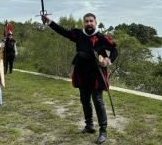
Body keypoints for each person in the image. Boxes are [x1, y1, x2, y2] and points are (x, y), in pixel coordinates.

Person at [42, 13, 118, 144]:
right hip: (82, 73)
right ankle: (89, 126)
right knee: (85, 100)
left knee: (98, 101)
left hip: (96, 74)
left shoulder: (101, 37)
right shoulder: (78, 34)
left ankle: (103, 131)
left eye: (91, 21)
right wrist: (49, 22)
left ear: (95, 22)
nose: (89, 23)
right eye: (87, 21)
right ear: (84, 23)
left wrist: (108, 60)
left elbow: (114, 50)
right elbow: (63, 32)